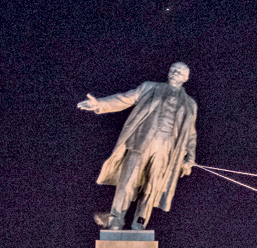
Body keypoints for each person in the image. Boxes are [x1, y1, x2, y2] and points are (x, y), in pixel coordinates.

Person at [78, 62, 197, 230]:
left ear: (186, 78)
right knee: (126, 183)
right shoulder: (149, 88)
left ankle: (139, 224)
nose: (175, 73)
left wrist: (189, 159)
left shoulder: (190, 104)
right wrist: (100, 104)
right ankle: (115, 222)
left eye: (180, 72)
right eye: (173, 70)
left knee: (151, 188)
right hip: (140, 144)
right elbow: (124, 98)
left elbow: (191, 134)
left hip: (166, 152)